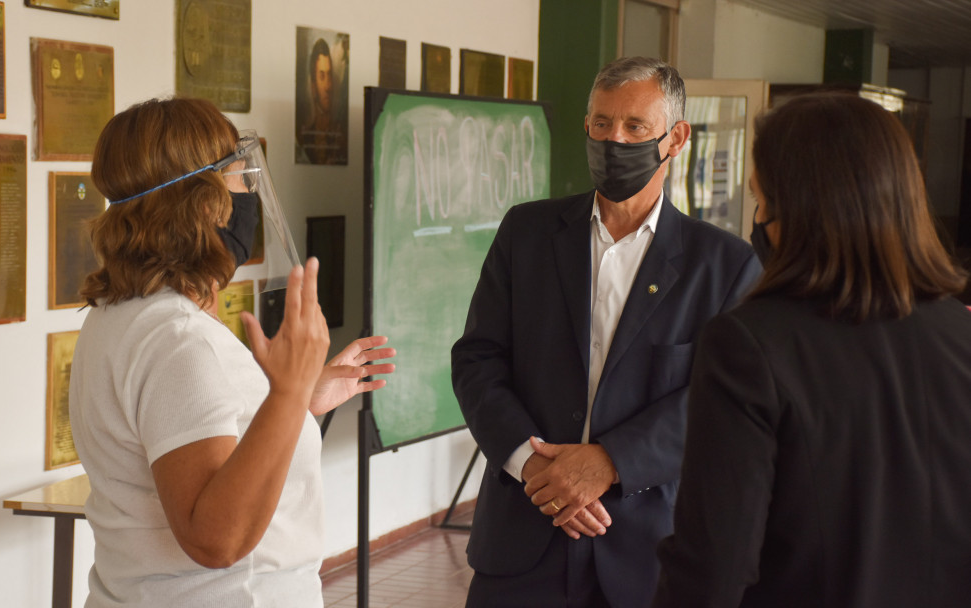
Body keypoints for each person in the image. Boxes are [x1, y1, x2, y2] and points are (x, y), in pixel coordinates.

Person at [450, 56, 762, 607]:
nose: (613, 141)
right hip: (522, 539)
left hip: (646, 553)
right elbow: (478, 359)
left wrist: (611, 462)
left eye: (635, 127)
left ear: (676, 137)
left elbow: (724, 400)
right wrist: (532, 467)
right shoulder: (526, 232)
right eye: (600, 124)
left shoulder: (726, 265)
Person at [69, 97, 395, 608]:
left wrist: (298, 398)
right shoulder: (177, 339)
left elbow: (205, 437)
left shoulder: (121, 315)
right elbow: (214, 539)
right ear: (205, 204)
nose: (250, 197)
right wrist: (286, 394)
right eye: (241, 181)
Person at [652, 93, 971, 607]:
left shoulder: (748, 345)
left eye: (762, 201)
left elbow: (713, 567)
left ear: (800, 211)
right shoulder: (960, 331)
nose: (758, 221)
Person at [296, 38, 346, 165]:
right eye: (322, 77)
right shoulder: (303, 139)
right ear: (313, 85)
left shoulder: (342, 140)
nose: (328, 86)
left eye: (329, 75)